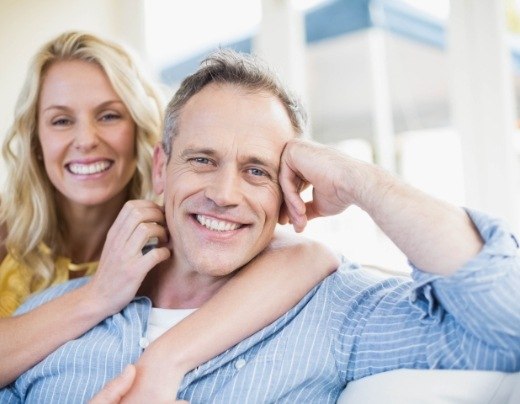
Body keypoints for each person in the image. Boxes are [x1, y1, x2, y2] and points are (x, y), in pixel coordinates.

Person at [2, 48, 519, 404]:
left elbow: (507, 327)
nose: (225, 195)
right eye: (202, 160)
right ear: (161, 168)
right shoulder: (48, 315)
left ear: (288, 186)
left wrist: (363, 181)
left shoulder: (333, 312)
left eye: (257, 171)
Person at [0, 31, 339, 395]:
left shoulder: (182, 226)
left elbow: (305, 256)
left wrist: (165, 359)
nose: (85, 139)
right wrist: (97, 296)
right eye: (61, 120)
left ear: (141, 131)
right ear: (36, 138)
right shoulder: (8, 231)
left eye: (109, 116)